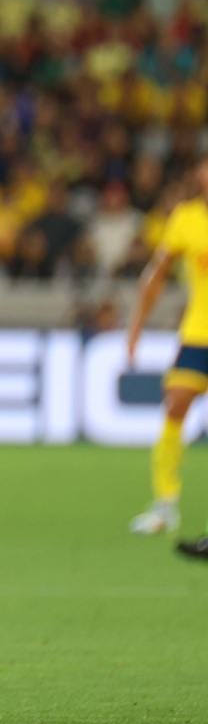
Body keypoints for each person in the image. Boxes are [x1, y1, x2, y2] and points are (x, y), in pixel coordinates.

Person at [125, 157, 208, 560]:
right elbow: (156, 275)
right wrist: (136, 327)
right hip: (198, 333)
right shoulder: (187, 218)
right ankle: (164, 505)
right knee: (175, 406)